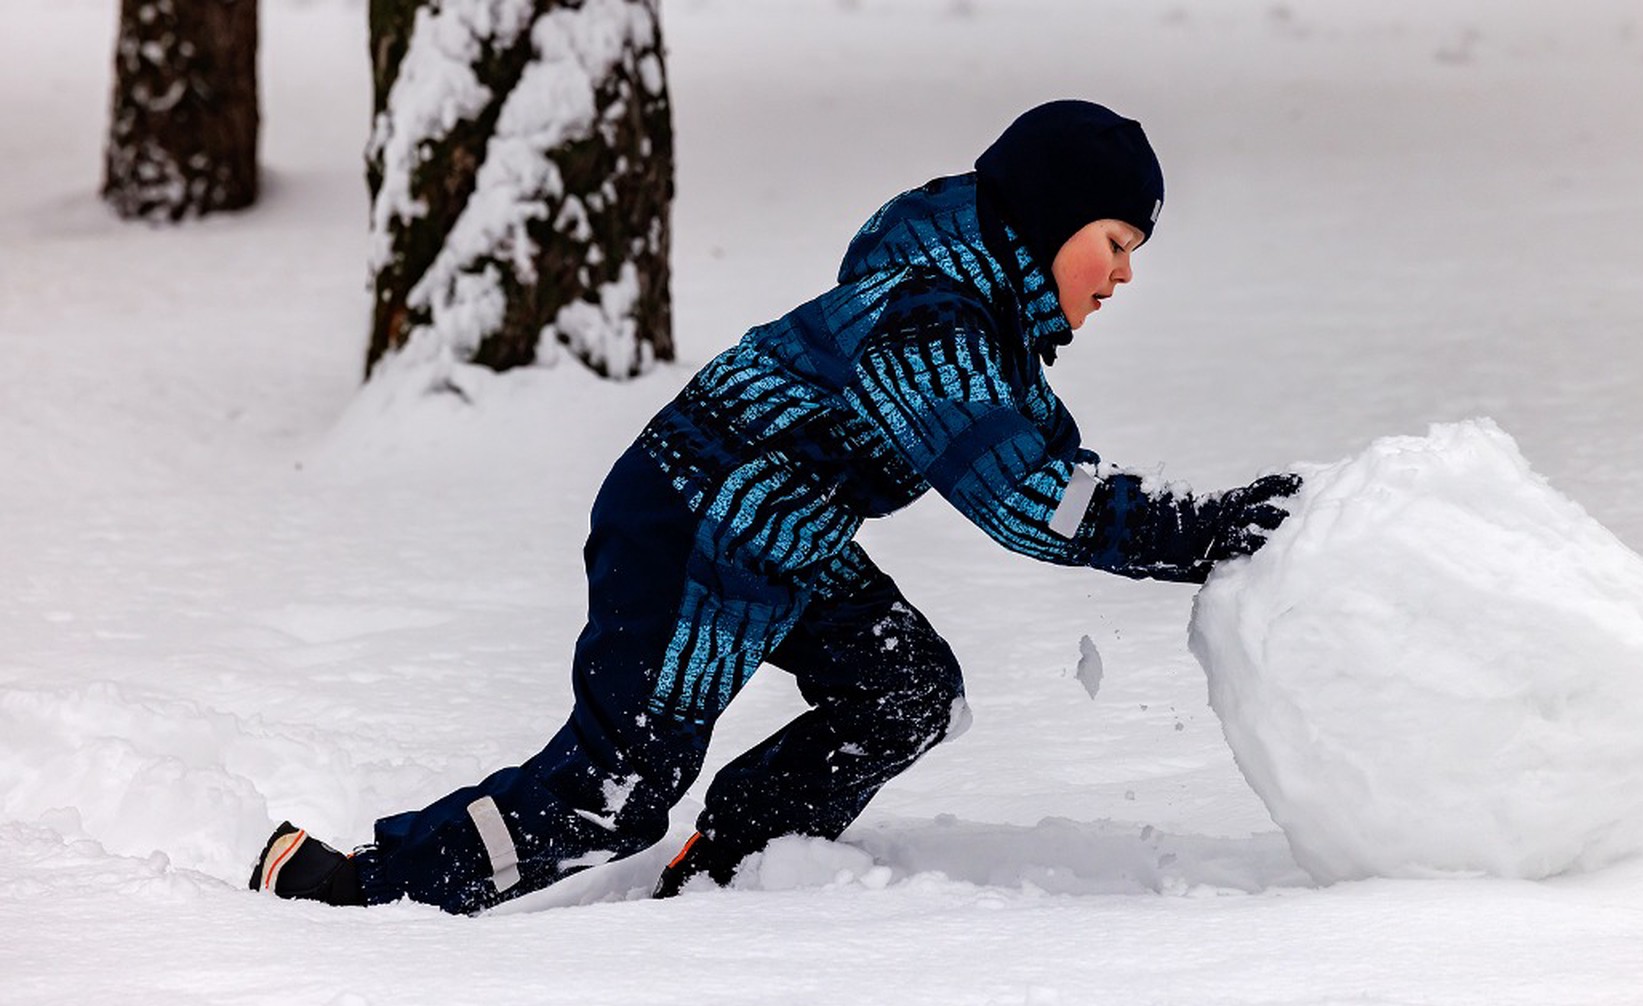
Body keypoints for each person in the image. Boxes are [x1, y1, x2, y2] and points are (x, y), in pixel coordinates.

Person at [249, 100, 1301, 914]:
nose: (1120, 276)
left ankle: (735, 869)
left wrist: (1188, 524)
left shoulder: (979, 302)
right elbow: (1028, 499)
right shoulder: (935, 318)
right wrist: (1193, 531)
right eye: (1113, 243)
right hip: (693, 521)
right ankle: (360, 883)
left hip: (778, 532)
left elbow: (1036, 444)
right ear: (1051, 213)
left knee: (905, 691)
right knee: (615, 789)